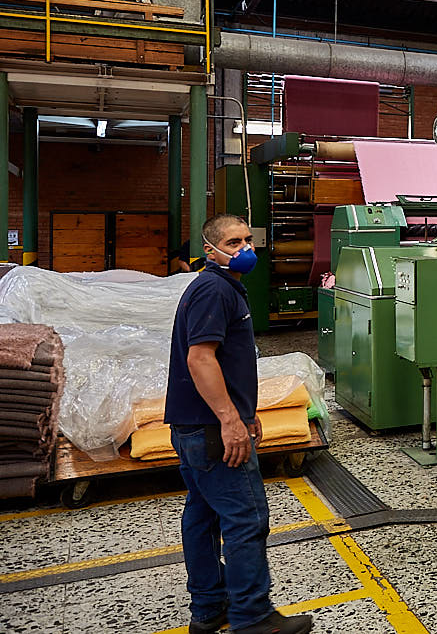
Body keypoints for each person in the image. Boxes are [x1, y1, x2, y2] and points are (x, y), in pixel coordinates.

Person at [165, 213, 313, 634]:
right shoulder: (214, 289)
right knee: (246, 519)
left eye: (248, 240)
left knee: (202, 515)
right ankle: (253, 617)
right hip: (212, 431)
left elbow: (228, 362)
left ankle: (210, 609)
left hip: (195, 426)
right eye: (233, 243)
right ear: (210, 252)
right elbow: (201, 358)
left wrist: (248, 413)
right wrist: (231, 421)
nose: (245, 249)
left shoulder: (224, 287)